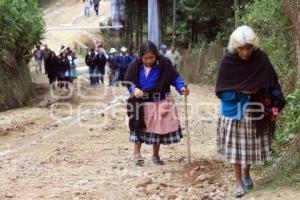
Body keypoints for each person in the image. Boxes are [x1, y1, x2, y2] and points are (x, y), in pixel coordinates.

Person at [215, 25, 286, 198]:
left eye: (248, 48)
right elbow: (221, 90)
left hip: (256, 109)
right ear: (235, 48)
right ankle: (238, 183)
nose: (245, 53)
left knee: (251, 146)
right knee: (235, 148)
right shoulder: (228, 62)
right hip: (234, 109)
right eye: (241, 48)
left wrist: (258, 91)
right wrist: (240, 91)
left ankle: (247, 171)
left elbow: (271, 84)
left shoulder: (261, 59)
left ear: (253, 47)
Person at [124, 41, 190, 166]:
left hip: (160, 101)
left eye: (151, 57)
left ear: (156, 55)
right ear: (140, 56)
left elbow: (175, 78)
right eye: (146, 58)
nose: (149, 60)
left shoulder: (164, 63)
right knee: (138, 127)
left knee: (158, 129)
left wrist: (181, 88)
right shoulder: (135, 65)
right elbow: (128, 81)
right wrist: (134, 89)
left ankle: (155, 155)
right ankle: (136, 154)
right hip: (141, 102)